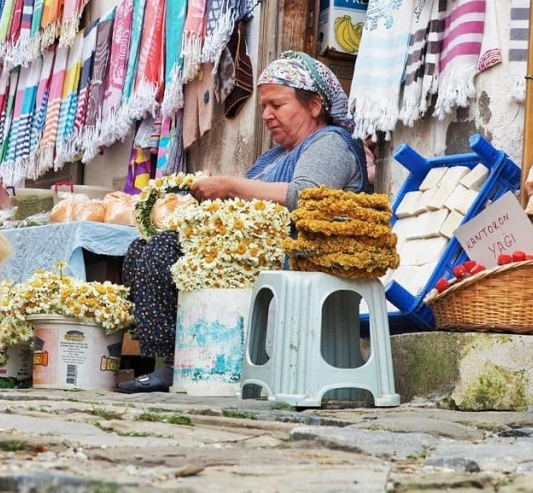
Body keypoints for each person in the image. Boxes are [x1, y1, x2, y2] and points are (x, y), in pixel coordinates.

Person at [118, 51, 370, 394]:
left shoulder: (331, 143)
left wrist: (232, 185)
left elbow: (306, 195)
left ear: (314, 105)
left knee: (165, 250)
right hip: (250, 250)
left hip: (294, 255)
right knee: (141, 248)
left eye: (277, 105)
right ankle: (171, 361)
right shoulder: (272, 156)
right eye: (264, 106)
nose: (267, 115)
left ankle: (178, 366)